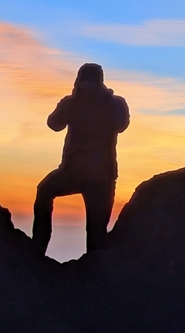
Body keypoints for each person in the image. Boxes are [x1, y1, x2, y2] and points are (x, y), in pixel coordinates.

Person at [32, 63, 130, 256]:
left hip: (91, 176)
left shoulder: (112, 103)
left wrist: (88, 101)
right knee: (45, 191)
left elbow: (121, 124)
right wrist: (73, 102)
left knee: (96, 235)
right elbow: (54, 124)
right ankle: (37, 250)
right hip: (87, 175)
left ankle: (37, 251)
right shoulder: (81, 103)